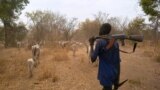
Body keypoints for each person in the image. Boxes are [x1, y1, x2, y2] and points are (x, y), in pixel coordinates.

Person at [89, 23, 121, 90]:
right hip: (114, 74)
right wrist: (117, 80)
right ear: (109, 30)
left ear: (101, 29)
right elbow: (118, 62)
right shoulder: (115, 42)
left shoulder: (99, 42)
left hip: (106, 75)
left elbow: (92, 59)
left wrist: (91, 44)